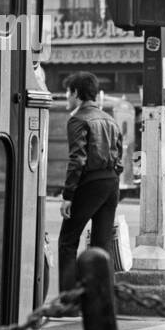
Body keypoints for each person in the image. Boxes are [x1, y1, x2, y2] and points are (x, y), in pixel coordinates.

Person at [58, 71, 124, 292]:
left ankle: (69, 300)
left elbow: (77, 159)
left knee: (68, 241)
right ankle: (101, 299)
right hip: (111, 183)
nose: (67, 97)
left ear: (76, 93)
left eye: (68, 92)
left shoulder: (78, 120)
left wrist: (68, 196)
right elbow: (119, 157)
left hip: (90, 182)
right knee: (101, 244)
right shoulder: (110, 119)